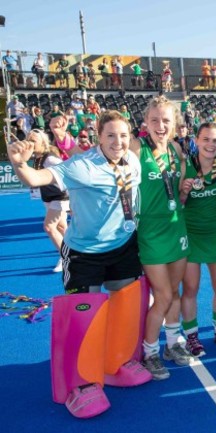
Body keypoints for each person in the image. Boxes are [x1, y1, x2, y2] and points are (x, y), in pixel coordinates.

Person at [7, 111, 151, 418]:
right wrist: (19, 164)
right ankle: (81, 384)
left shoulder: (133, 161)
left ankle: (117, 361)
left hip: (124, 246)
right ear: (99, 136)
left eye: (123, 135)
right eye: (111, 135)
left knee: (125, 304)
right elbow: (36, 178)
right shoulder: (80, 165)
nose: (118, 141)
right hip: (84, 254)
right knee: (83, 316)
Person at [131, 95, 193, 380]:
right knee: (164, 296)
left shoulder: (177, 150)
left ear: (174, 123)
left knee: (175, 293)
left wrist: (184, 191)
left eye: (165, 120)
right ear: (145, 122)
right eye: (154, 120)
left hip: (176, 227)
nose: (160, 125)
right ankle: (150, 351)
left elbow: (177, 195)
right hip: (151, 233)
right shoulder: (136, 147)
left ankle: (171, 345)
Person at [179, 123, 216, 355]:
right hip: (191, 234)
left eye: (215, 140)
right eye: (206, 140)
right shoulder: (186, 166)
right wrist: (183, 191)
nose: (210, 145)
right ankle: (192, 336)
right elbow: (177, 202)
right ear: (196, 140)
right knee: (191, 288)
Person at [28, 129, 69, 272]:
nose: (30, 143)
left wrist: (74, 198)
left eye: (33, 141)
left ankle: (66, 258)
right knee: (62, 227)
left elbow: (67, 174)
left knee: (49, 227)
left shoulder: (50, 159)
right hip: (49, 197)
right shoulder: (37, 158)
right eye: (28, 140)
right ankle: (77, 253)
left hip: (60, 196)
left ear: (43, 143)